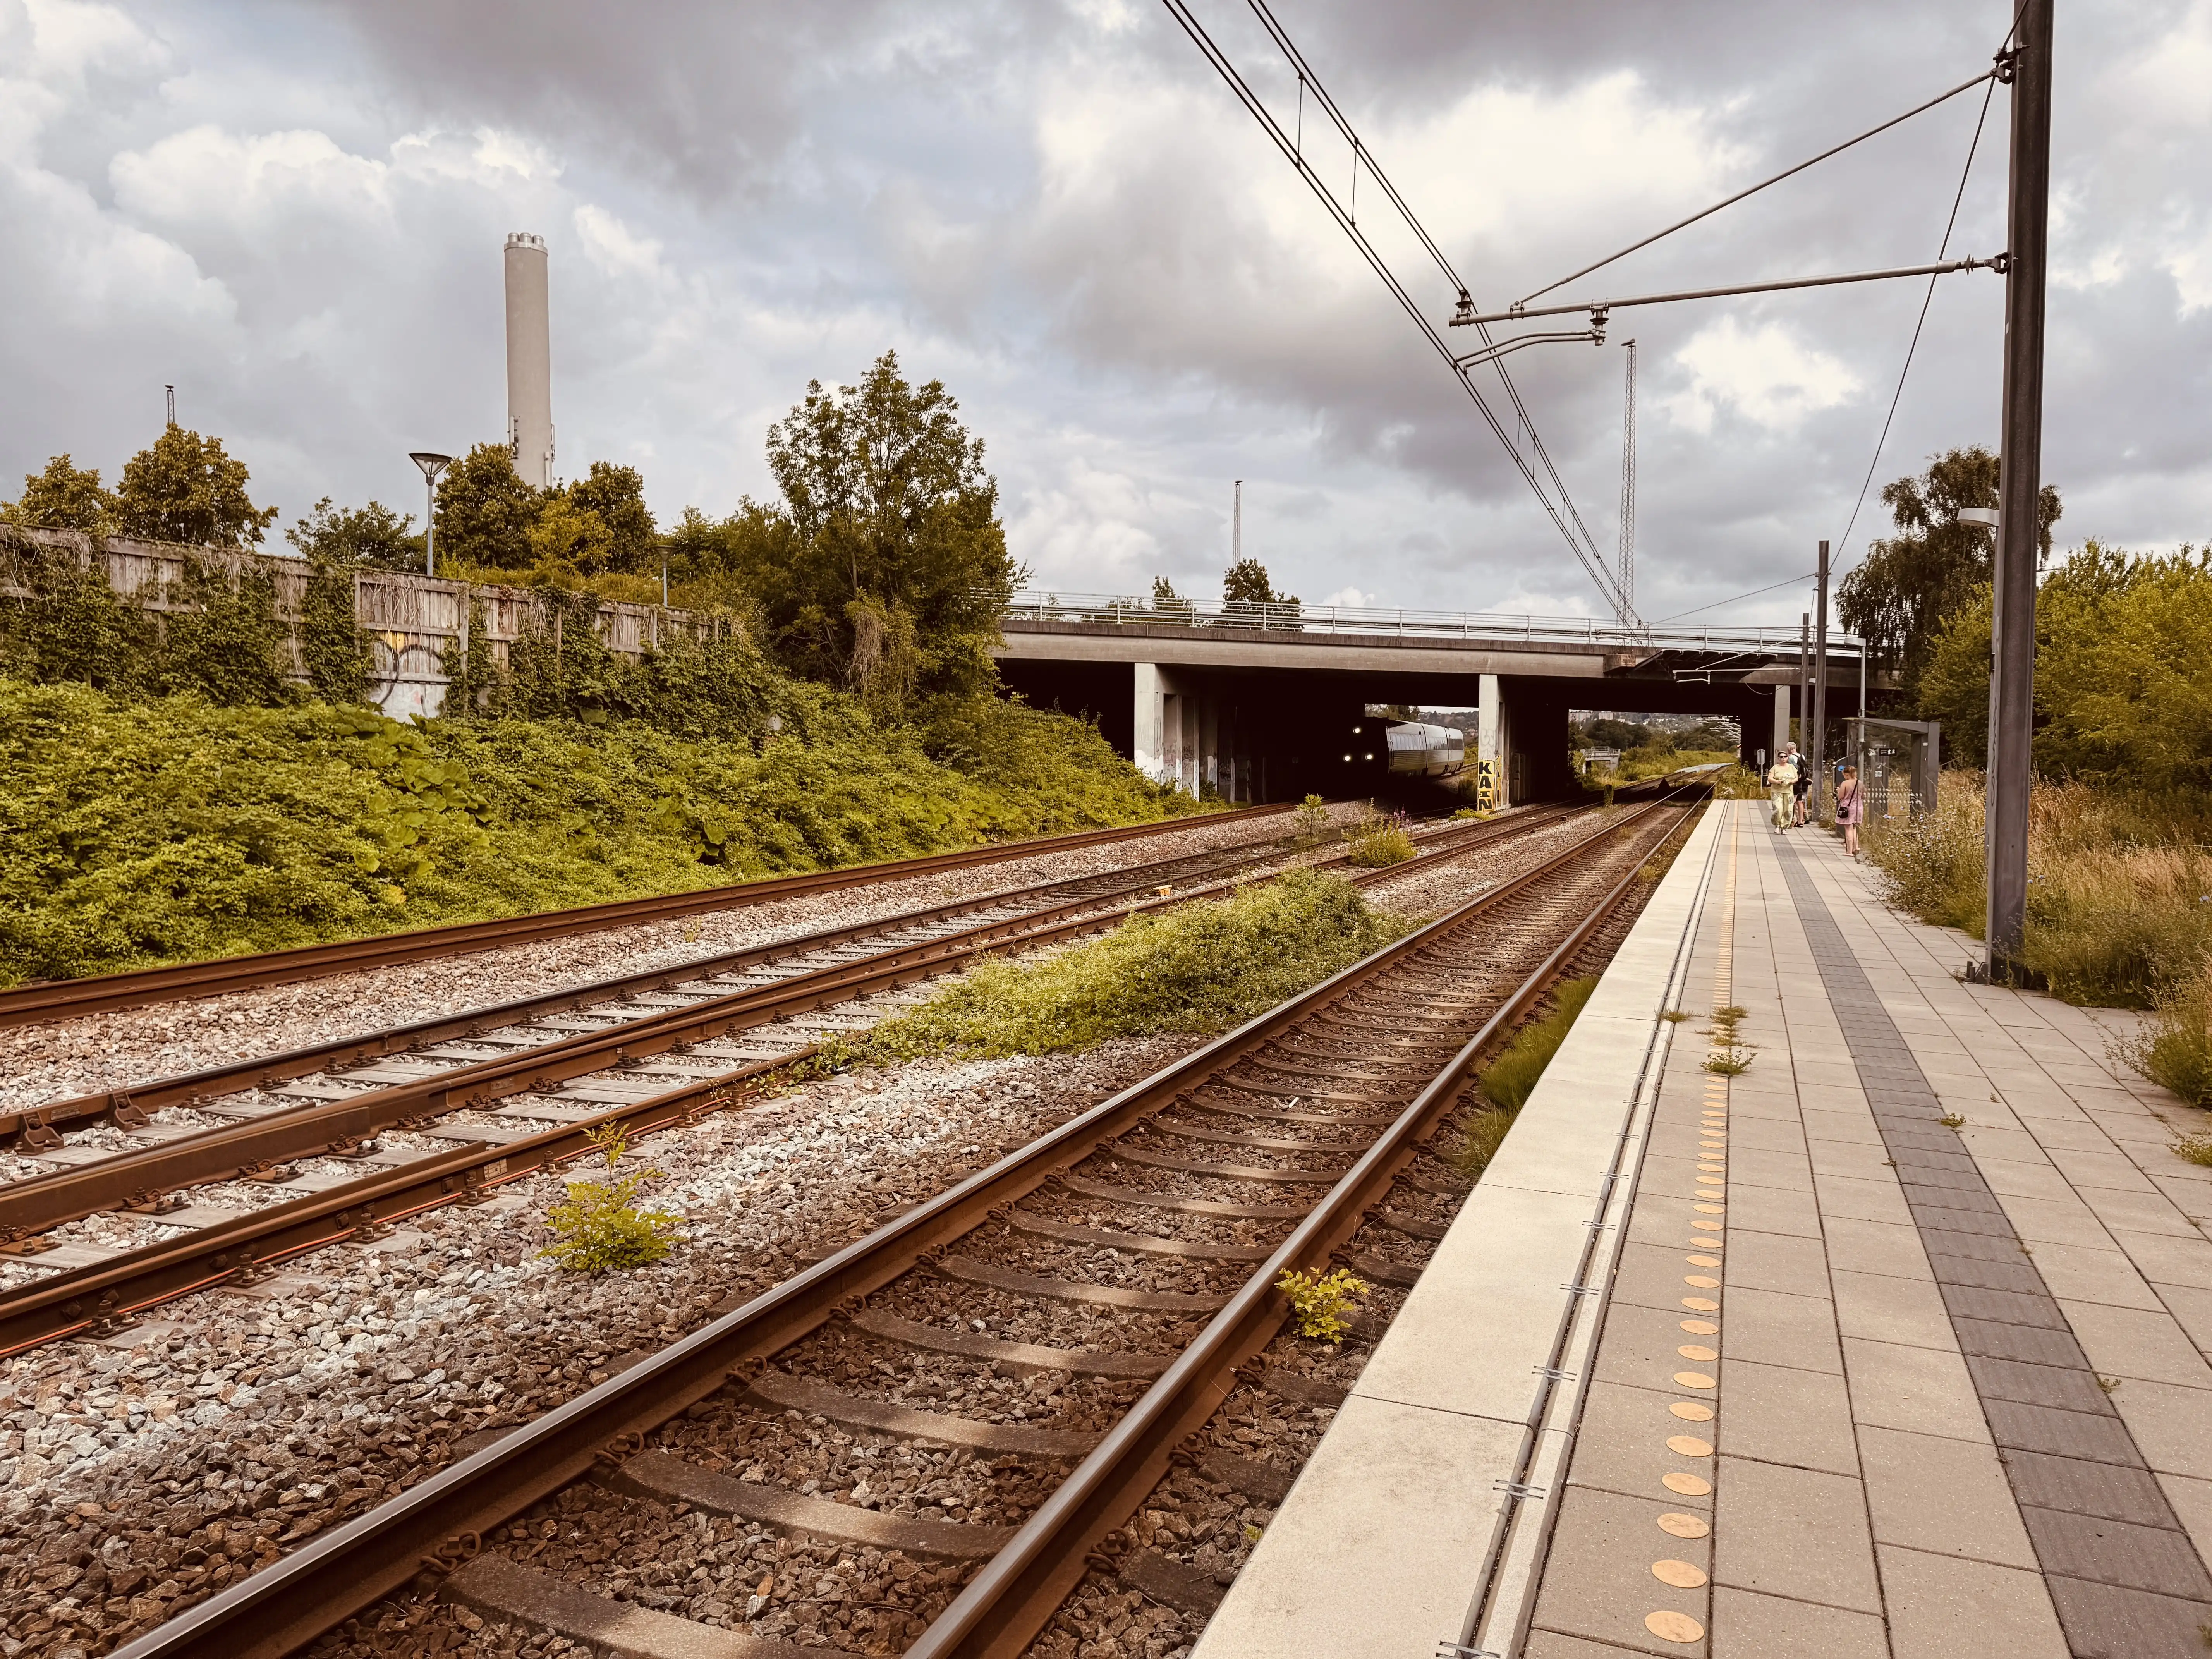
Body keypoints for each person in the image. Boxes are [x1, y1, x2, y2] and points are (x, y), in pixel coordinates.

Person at [1837, 763, 1863, 856]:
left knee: (1848, 829)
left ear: (1847, 774)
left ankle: (1849, 851)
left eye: (1844, 775)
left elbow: (1840, 796)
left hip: (1848, 809)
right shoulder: (1860, 783)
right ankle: (1856, 847)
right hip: (1858, 808)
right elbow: (1863, 795)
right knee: (1854, 828)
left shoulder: (1845, 783)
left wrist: (1838, 791)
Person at [1767, 747, 1796, 829]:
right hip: (1777, 791)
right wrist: (1778, 782)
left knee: (1788, 810)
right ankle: (1777, 825)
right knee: (1778, 809)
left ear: (1787, 758)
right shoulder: (1775, 767)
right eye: (1781, 757)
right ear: (1779, 758)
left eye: (1785, 756)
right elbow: (1770, 778)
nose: (1784, 758)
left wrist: (1792, 781)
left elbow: (1796, 778)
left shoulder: (1792, 767)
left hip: (1789, 791)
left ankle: (1784, 827)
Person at [1792, 746, 1812, 827]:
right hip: (1803, 782)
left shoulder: (1792, 758)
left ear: (1790, 749)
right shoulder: (1802, 757)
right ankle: (1802, 820)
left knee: (1793, 801)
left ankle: (1792, 820)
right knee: (1801, 801)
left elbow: (1794, 770)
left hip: (1795, 782)